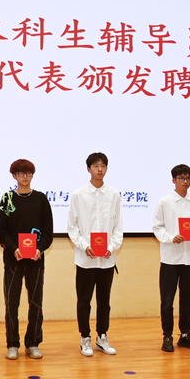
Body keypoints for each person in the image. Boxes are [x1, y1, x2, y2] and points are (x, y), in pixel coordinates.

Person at [0, 159, 53, 360]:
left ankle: (33, 343)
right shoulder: (7, 199)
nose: (25, 177)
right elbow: (1, 231)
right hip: (14, 259)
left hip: (36, 259)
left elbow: (48, 231)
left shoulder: (41, 199)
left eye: (28, 173)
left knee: (36, 303)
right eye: (21, 173)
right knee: (11, 304)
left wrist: (39, 248)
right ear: (14, 176)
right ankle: (12, 344)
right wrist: (14, 249)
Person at [67, 152, 123, 357]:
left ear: (107, 168)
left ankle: (102, 337)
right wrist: (84, 246)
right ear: (88, 169)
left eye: (103, 166)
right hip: (85, 259)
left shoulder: (113, 194)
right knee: (84, 301)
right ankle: (85, 338)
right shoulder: (79, 195)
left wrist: (112, 246)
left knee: (104, 301)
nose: (100, 169)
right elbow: (72, 227)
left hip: (107, 259)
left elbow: (118, 227)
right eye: (96, 166)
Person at [152, 164, 190, 352]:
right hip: (170, 259)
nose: (185, 181)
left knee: (188, 300)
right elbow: (157, 227)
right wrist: (170, 238)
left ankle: (185, 335)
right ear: (173, 180)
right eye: (182, 178)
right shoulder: (165, 202)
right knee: (167, 301)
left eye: (188, 178)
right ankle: (167, 335)